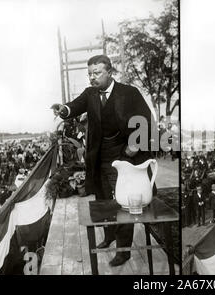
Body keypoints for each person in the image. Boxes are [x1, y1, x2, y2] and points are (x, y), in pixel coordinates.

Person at [52, 55, 155, 267]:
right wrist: (63, 110)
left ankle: (124, 250)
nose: (92, 77)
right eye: (89, 73)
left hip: (126, 156)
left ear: (110, 72)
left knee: (124, 202)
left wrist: (134, 147)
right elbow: (74, 106)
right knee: (104, 200)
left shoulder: (129, 93)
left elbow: (145, 120)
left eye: (97, 73)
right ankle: (109, 236)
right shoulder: (90, 94)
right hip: (99, 156)